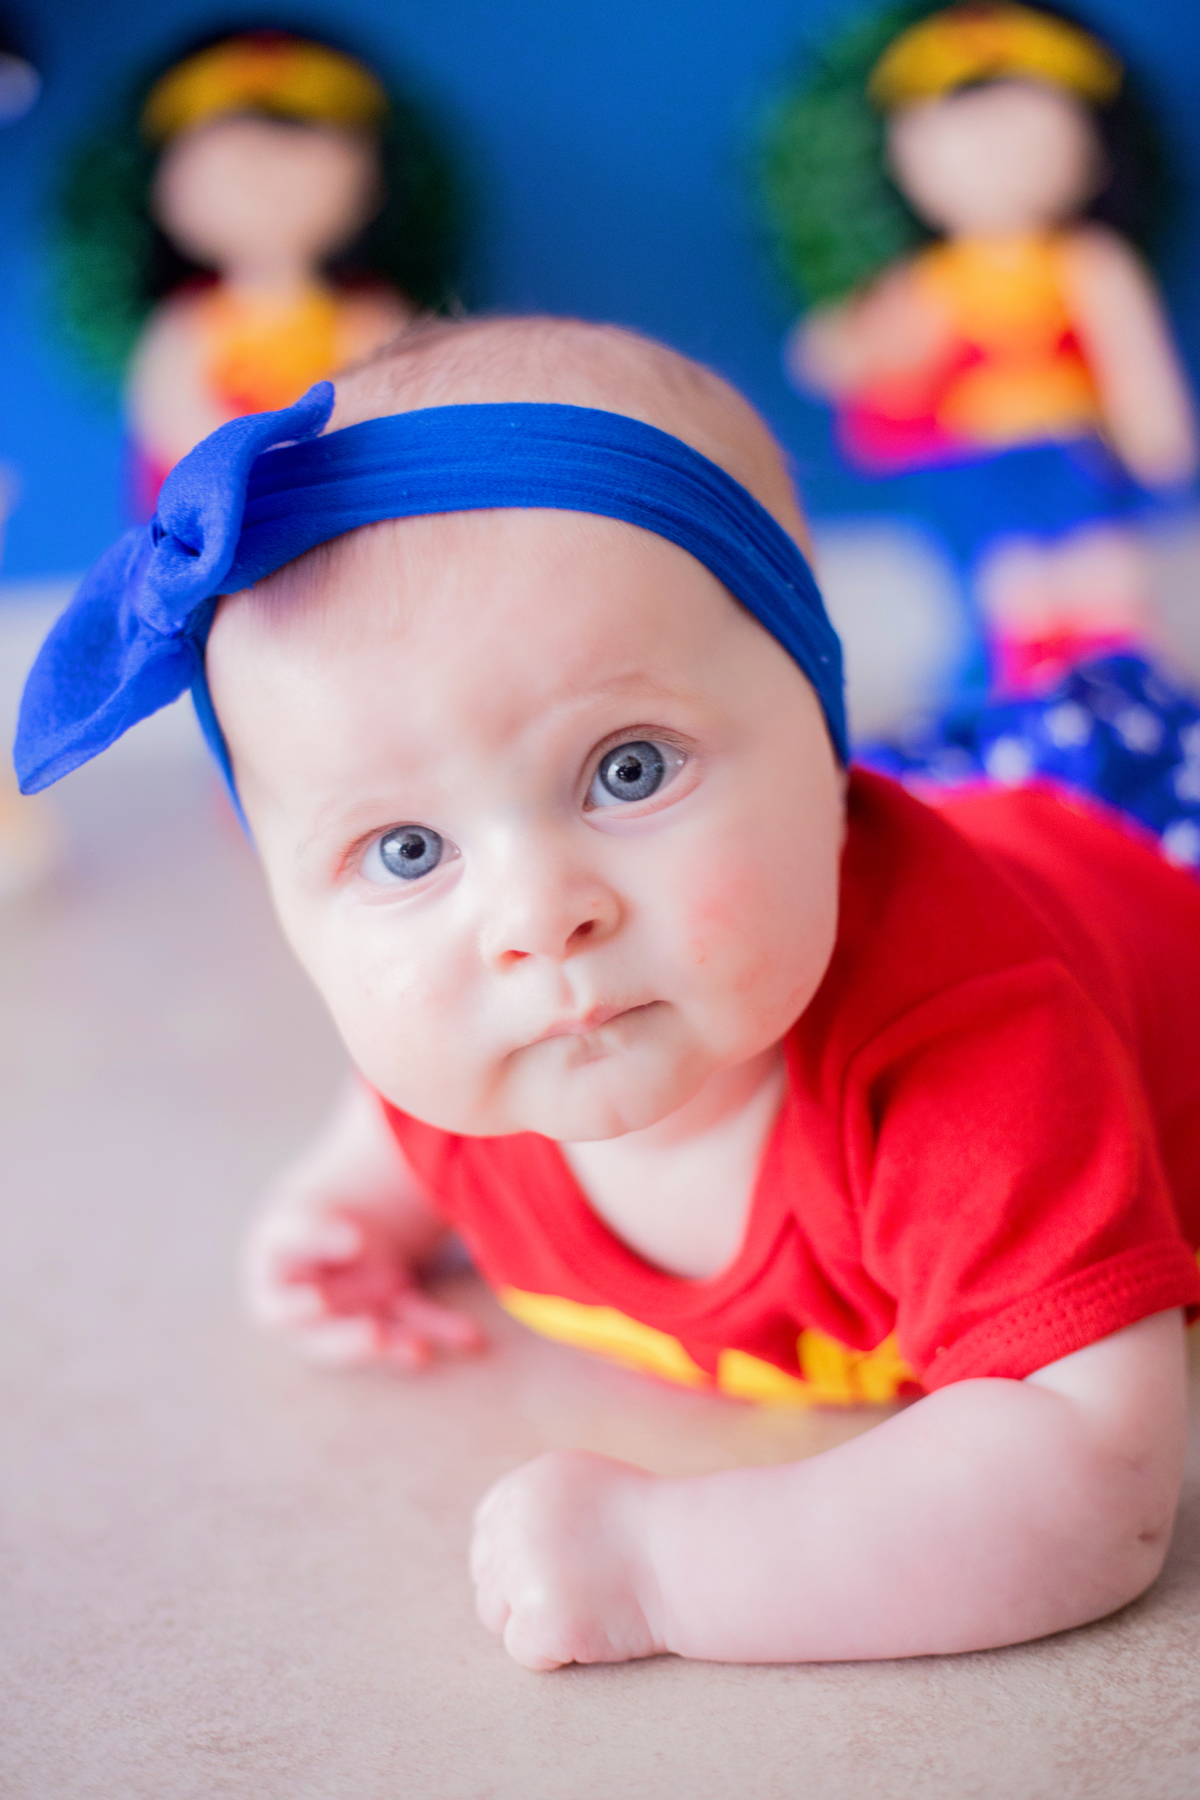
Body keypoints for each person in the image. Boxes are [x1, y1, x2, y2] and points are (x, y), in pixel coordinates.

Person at [15, 316, 1200, 1671]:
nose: (535, 917)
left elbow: (1091, 1478)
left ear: (826, 746)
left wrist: (668, 1569)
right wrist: (356, 1195)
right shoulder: (498, 1025)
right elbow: (400, 1096)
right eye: (406, 853)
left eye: (629, 770)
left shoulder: (967, 1052)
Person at [766, 2, 1198, 693]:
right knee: (1006, 600)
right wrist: (845, 345)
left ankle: (1125, 697)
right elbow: (838, 355)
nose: (995, 156)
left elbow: (1135, 364)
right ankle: (1020, 705)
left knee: (1104, 582)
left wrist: (1159, 438)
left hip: (1074, 454)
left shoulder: (1087, 263)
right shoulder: (935, 282)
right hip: (977, 467)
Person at [54, 28, 461, 513]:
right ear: (163, 198)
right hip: (228, 534)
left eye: (297, 160)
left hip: (348, 521)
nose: (264, 183)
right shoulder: (187, 327)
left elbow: (400, 414)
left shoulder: (370, 315)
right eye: (230, 166)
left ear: (373, 188)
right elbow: (174, 419)